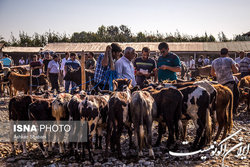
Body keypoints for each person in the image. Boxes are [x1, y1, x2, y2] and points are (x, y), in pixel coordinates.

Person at [211, 48, 239, 114]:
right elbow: (236, 71)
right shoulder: (230, 60)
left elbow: (212, 73)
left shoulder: (214, 61)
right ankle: (233, 110)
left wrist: (218, 75)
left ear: (220, 53)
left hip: (220, 83)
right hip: (229, 82)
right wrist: (237, 67)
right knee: (236, 95)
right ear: (227, 53)